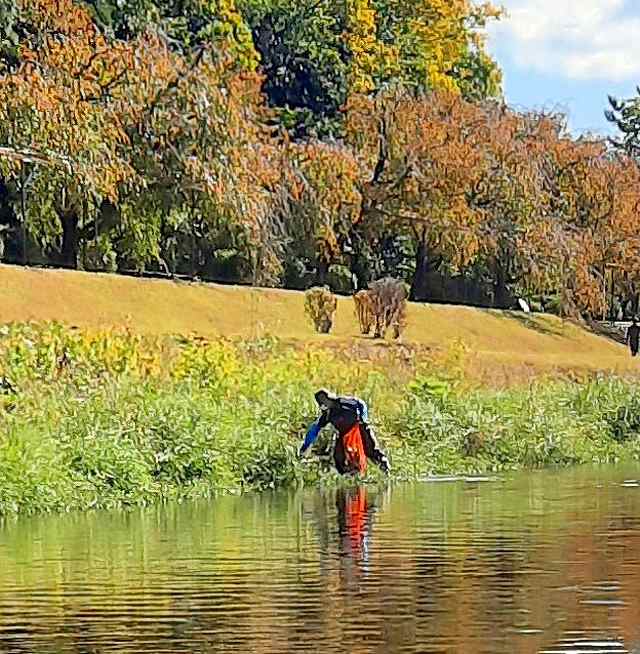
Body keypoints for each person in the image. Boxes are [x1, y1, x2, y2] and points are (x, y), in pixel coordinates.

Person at [299, 389, 390, 475]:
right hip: (344, 436)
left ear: (329, 397)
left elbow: (361, 404)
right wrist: (305, 447)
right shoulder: (328, 414)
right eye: (320, 402)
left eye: (323, 400)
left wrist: (363, 419)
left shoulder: (343, 402)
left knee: (371, 451)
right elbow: (314, 430)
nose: (322, 403)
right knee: (338, 458)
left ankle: (386, 472)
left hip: (359, 428)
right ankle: (350, 477)